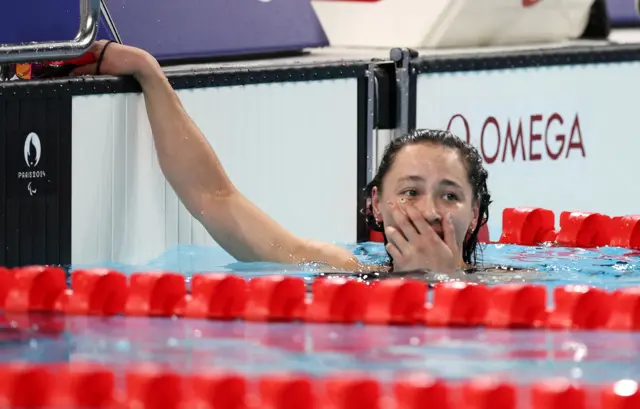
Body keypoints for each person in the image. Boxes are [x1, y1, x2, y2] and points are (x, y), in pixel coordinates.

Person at [72, 41, 491, 276]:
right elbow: (214, 197)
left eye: (450, 196)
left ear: (474, 217)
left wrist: (447, 281)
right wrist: (148, 72)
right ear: (375, 206)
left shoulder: (515, 292)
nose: (430, 211)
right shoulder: (337, 270)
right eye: (411, 191)